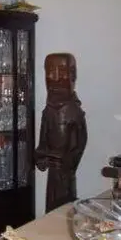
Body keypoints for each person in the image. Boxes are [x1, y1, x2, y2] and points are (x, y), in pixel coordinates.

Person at [35, 53, 88, 212]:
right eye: (50, 71)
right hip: (54, 169)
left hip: (65, 170)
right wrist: (41, 154)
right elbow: (43, 138)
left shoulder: (74, 111)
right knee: (52, 204)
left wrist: (68, 163)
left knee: (64, 204)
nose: (55, 78)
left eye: (62, 71)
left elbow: (81, 142)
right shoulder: (48, 111)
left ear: (73, 74)